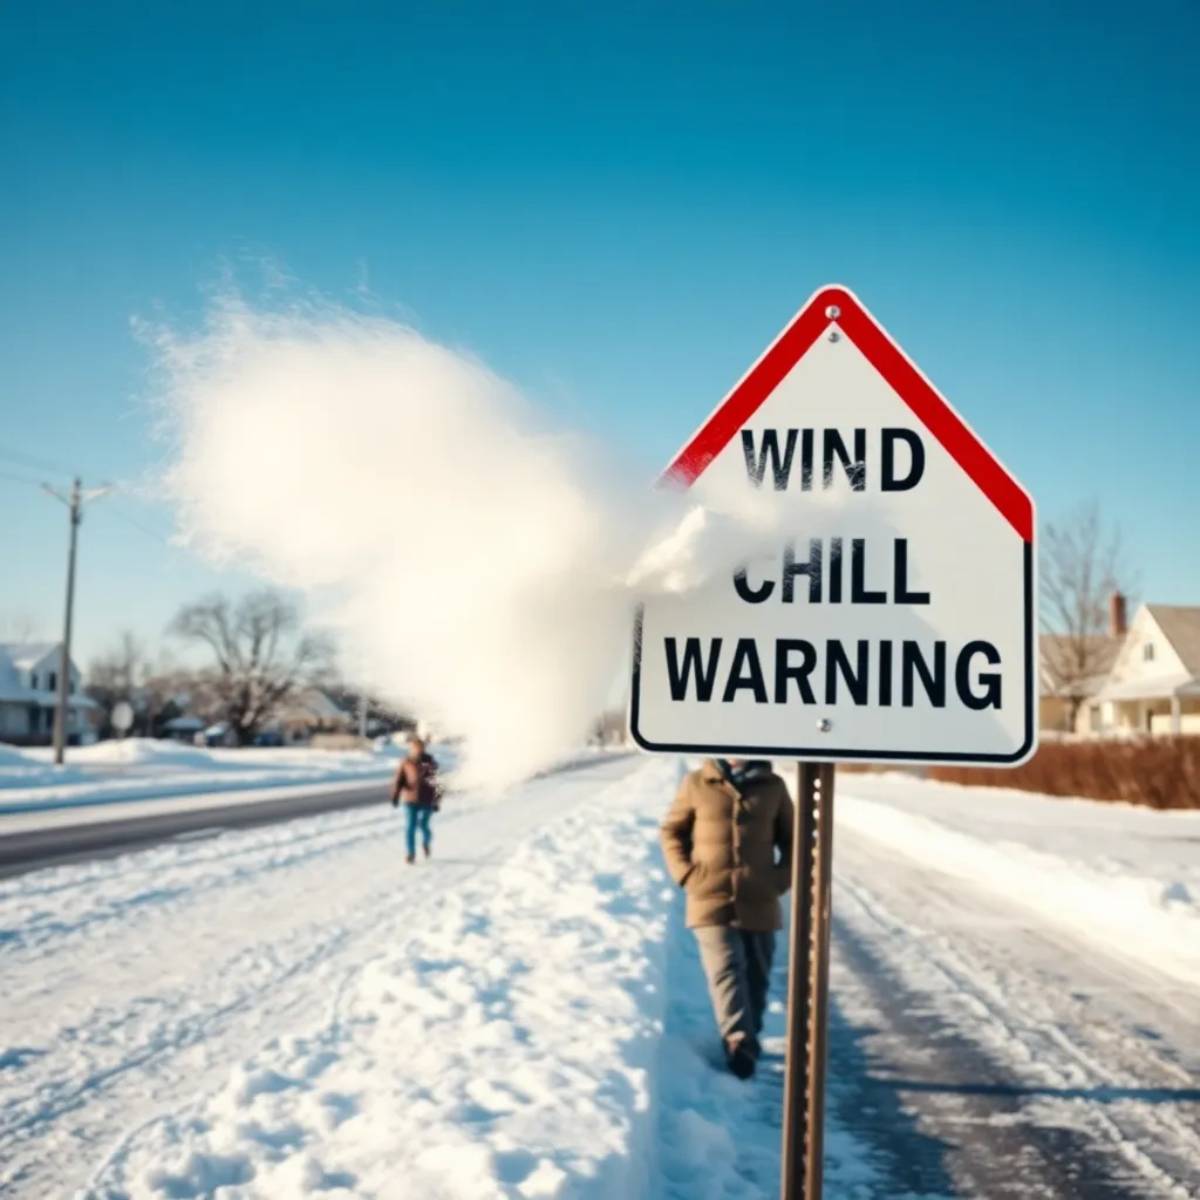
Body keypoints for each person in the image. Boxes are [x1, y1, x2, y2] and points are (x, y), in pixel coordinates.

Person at [659, 758, 794, 1079]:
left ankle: (749, 1034)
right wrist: (688, 875)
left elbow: (795, 840)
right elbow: (671, 831)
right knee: (726, 968)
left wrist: (778, 880)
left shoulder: (772, 787)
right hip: (709, 897)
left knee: (757, 976)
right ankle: (738, 1041)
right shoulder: (697, 783)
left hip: (759, 898)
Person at [390, 735, 441, 864]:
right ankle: (411, 853)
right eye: (414, 747)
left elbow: (437, 783)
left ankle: (426, 842)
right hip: (410, 799)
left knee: (423, 825)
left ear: (423, 748)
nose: (417, 749)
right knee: (410, 827)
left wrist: (437, 800)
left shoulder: (430, 762)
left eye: (420, 747)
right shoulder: (406, 762)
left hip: (427, 799)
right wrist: (395, 796)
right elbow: (399, 780)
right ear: (411, 748)